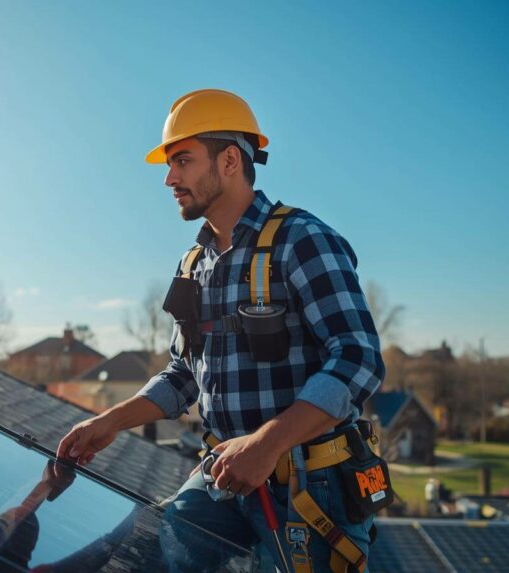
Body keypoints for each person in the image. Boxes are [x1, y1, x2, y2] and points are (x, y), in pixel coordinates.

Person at [56, 89, 385, 572]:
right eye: (170, 165)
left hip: (309, 485)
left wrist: (267, 444)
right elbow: (182, 376)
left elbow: (359, 358)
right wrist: (107, 423)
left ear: (230, 160)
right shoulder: (195, 264)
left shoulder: (303, 240)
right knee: (141, 551)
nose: (169, 178)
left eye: (183, 161)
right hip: (224, 478)